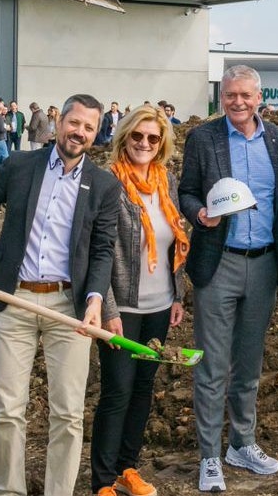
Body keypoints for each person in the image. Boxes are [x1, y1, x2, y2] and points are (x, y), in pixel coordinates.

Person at [0, 94, 120, 496]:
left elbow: (104, 248)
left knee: (68, 414)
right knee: (8, 408)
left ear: (96, 133)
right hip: (15, 300)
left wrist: (93, 301)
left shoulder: (104, 185)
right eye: (74, 123)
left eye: (89, 127)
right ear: (58, 122)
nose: (80, 132)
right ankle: (8, 488)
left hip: (68, 307)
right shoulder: (20, 166)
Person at [178, 65, 278, 492]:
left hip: (263, 264)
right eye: (229, 96)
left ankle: (241, 442)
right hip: (218, 261)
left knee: (249, 361)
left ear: (259, 96)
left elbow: (277, 197)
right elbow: (186, 191)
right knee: (212, 365)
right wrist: (199, 214)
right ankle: (210, 456)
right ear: (220, 97)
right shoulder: (203, 138)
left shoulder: (275, 137)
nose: (237, 102)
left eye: (245, 95)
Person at [92, 105, 191, 496]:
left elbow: (174, 244)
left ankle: (126, 469)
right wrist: (108, 309)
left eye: (153, 138)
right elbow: (99, 252)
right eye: (137, 136)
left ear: (162, 142)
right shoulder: (107, 184)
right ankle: (102, 482)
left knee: (143, 389)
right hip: (123, 310)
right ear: (124, 137)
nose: (144, 144)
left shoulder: (167, 182)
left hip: (159, 307)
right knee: (117, 390)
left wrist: (178, 296)